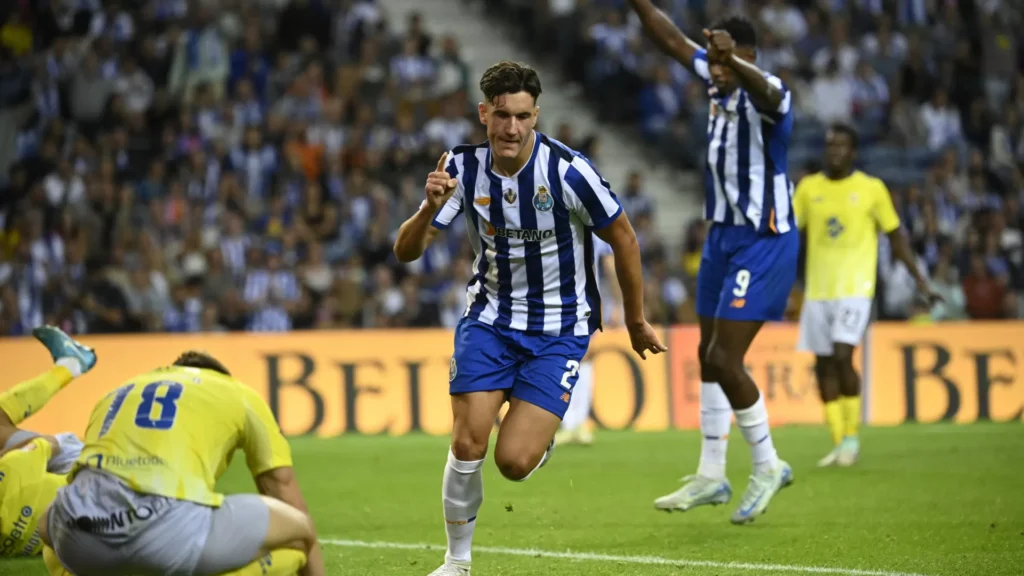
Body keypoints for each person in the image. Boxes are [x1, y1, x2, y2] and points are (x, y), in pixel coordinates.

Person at [393, 60, 666, 575]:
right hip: (490, 320)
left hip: (559, 331)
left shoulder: (569, 172)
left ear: (536, 116)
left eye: (522, 116)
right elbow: (406, 251)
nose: (511, 128)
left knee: (513, 462)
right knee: (467, 441)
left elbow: (625, 239)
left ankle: (537, 440)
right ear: (484, 114)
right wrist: (428, 208)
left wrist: (635, 319)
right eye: (502, 115)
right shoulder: (461, 168)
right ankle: (457, 563)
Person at [627, 0, 797, 524]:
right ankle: (711, 474)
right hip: (722, 234)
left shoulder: (769, 95)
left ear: (747, 57)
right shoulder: (715, 79)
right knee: (706, 354)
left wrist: (734, 61)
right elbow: (671, 40)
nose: (716, 72)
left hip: (764, 238)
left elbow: (770, 92)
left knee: (725, 359)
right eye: (715, 63)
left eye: (725, 63)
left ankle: (768, 464)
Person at [38, 349, 324, 576]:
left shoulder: (116, 393)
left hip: (77, 536)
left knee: (49, 522)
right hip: (167, 533)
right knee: (299, 533)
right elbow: (281, 487)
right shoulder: (236, 391)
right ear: (221, 375)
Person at [793, 124, 938, 467]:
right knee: (823, 365)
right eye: (830, 145)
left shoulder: (871, 189)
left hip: (856, 289)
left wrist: (920, 279)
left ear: (854, 152)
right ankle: (838, 440)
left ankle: (852, 438)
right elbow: (788, 236)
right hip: (818, 290)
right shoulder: (808, 188)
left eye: (842, 146)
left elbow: (896, 236)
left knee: (843, 355)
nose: (834, 151)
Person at [0, 325, 97, 559]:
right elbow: (46, 443)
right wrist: (8, 454)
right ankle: (70, 365)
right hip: (93, 480)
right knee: (54, 445)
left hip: (78, 533)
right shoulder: (11, 470)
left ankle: (70, 365)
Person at [554, 235, 619, 446]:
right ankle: (571, 422)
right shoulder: (597, 224)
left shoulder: (592, 228)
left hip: (576, 302)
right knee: (575, 357)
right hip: (568, 301)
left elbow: (609, 265)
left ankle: (574, 423)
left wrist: (617, 304)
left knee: (579, 357)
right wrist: (618, 303)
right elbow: (610, 266)